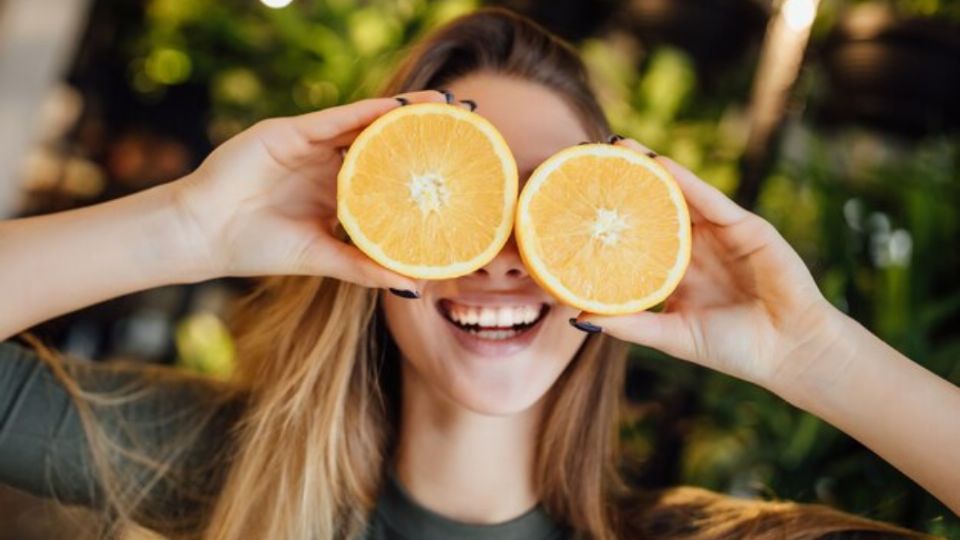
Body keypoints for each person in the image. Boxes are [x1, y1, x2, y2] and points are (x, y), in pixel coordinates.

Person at [0, 8, 956, 540]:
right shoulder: (227, 469)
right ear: (367, 234)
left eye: (549, 207)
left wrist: (819, 358)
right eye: (455, 201)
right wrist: (184, 228)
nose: (504, 255)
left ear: (615, 246)